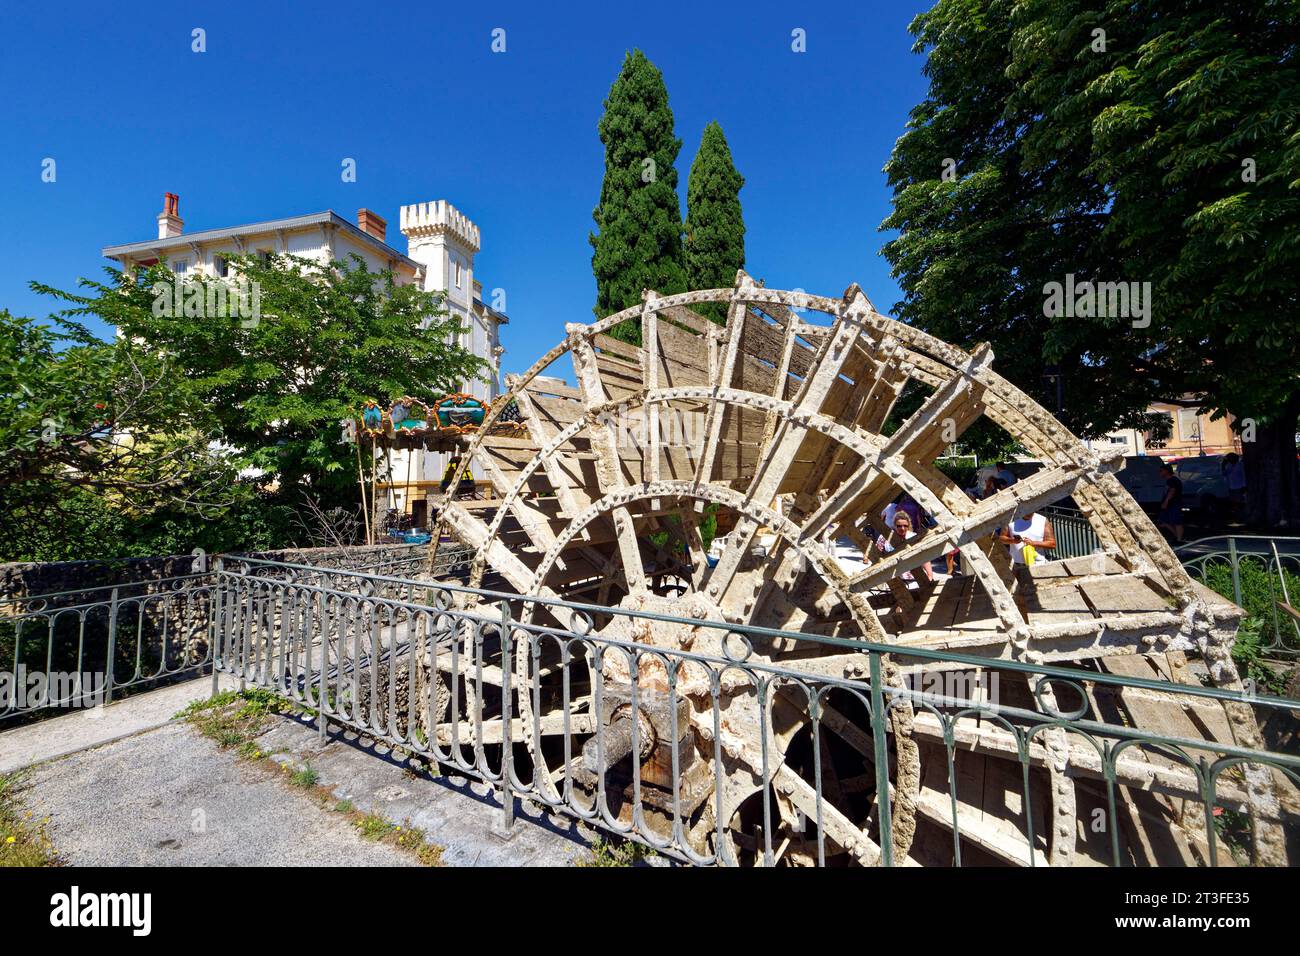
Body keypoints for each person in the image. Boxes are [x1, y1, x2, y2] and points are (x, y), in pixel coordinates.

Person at [875, 510, 936, 583]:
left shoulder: (914, 537)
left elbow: (924, 557)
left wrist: (930, 575)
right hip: (893, 579)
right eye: (899, 526)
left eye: (905, 526)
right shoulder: (885, 538)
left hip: (914, 579)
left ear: (909, 525)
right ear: (894, 525)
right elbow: (877, 556)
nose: (902, 528)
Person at [1157, 462, 1185, 543]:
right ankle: (1177, 536)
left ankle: (1179, 539)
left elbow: (1172, 491)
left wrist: (1166, 501)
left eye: (1161, 471)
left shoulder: (1172, 480)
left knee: (1177, 521)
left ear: (1166, 471)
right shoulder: (1169, 480)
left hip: (1174, 503)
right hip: (1170, 504)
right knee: (1164, 521)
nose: (1160, 473)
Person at [1223, 452, 1247, 517]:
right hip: (1232, 487)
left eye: (1231, 457)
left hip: (1239, 486)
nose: (1230, 459)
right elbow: (1225, 475)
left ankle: (1243, 515)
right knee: (1234, 503)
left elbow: (1244, 475)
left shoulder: (1240, 465)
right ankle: (1238, 515)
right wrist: (1223, 464)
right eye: (1229, 458)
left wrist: (1244, 486)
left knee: (1240, 502)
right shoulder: (1228, 465)